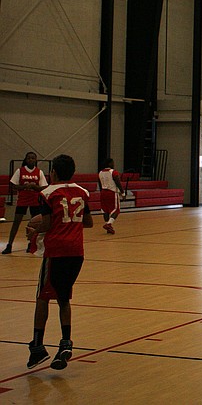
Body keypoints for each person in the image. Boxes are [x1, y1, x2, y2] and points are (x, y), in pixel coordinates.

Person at [25, 153, 93, 370]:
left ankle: (37, 346)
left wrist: (34, 228)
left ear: (53, 172)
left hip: (56, 252)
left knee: (42, 298)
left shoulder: (47, 193)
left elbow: (45, 224)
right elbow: (89, 222)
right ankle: (65, 342)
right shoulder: (83, 192)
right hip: (76, 252)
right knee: (63, 298)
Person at [3, 152, 48, 254]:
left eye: (33, 158)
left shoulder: (39, 172)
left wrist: (34, 187)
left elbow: (44, 187)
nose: (31, 160)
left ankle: (31, 244)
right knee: (16, 222)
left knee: (33, 224)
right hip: (22, 200)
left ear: (36, 160)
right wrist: (24, 187)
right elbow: (13, 185)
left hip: (35, 201)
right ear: (26, 159)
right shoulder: (20, 171)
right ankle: (9, 245)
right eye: (29, 158)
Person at [98, 158, 125, 235]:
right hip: (112, 192)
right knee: (116, 210)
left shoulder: (100, 173)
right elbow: (118, 182)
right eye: (112, 163)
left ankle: (108, 227)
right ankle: (109, 224)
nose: (114, 164)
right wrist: (122, 193)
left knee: (105, 210)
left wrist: (102, 192)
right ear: (109, 164)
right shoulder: (113, 172)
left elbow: (100, 184)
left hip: (103, 192)